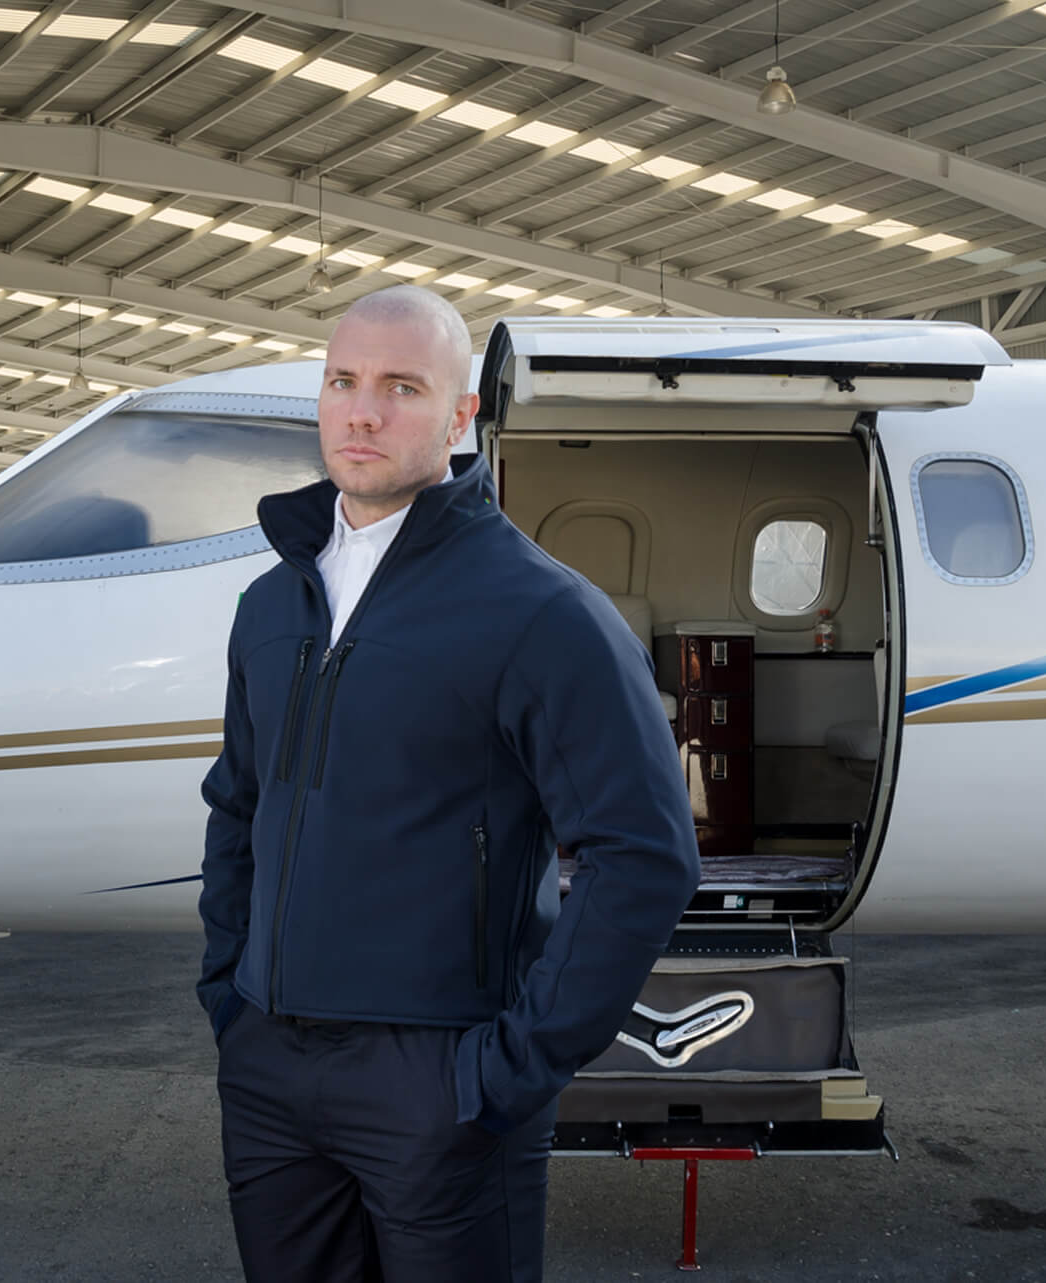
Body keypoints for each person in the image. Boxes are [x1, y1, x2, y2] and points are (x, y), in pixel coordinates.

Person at [198, 284, 700, 1281]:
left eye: (402, 387)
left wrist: (507, 1069)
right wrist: (230, 996)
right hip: (271, 1071)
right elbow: (239, 805)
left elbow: (644, 853)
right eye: (342, 382)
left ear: (461, 414)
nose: (362, 412)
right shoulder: (272, 603)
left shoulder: (538, 610)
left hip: (440, 1078)